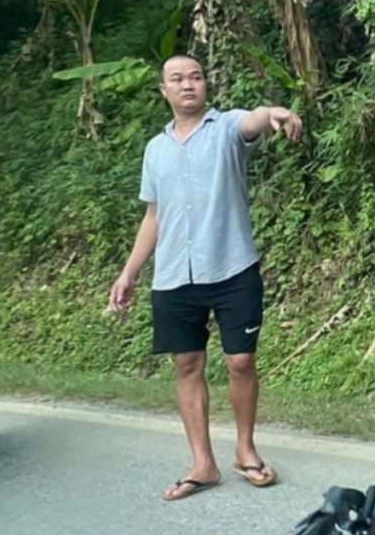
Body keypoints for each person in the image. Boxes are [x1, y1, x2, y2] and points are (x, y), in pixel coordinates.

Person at [109, 55, 302, 501]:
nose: (188, 84)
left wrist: (274, 112)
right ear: (164, 91)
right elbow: (153, 216)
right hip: (175, 275)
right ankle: (203, 463)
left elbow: (252, 121)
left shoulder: (225, 128)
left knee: (240, 362)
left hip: (233, 266)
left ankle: (245, 449)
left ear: (205, 84)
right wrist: (128, 273)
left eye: (195, 76)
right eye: (177, 79)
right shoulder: (155, 150)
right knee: (187, 365)